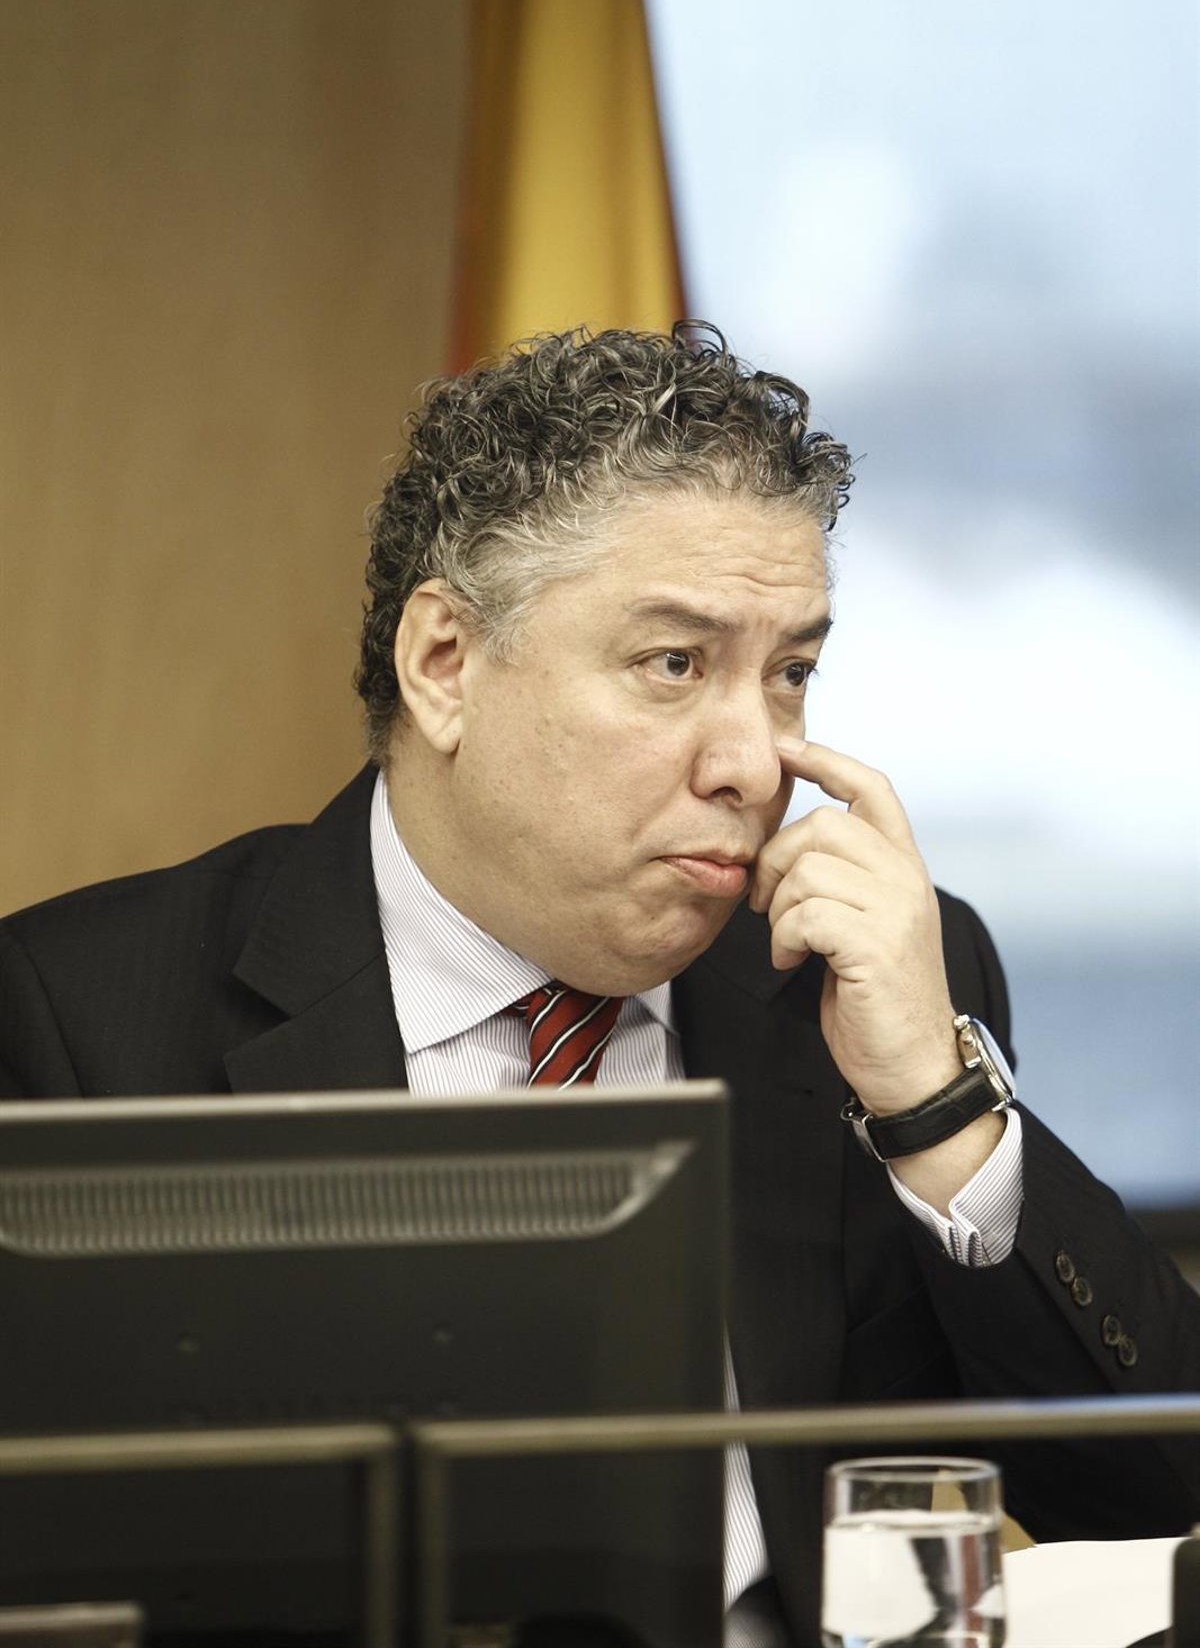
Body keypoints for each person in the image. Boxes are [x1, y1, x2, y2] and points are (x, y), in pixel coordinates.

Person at [2, 322, 1198, 1646]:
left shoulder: (870, 983)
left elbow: (1156, 1500)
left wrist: (936, 1106)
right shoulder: (81, 1018)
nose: (756, 762)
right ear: (444, 664)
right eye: (674, 665)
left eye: (791, 674)